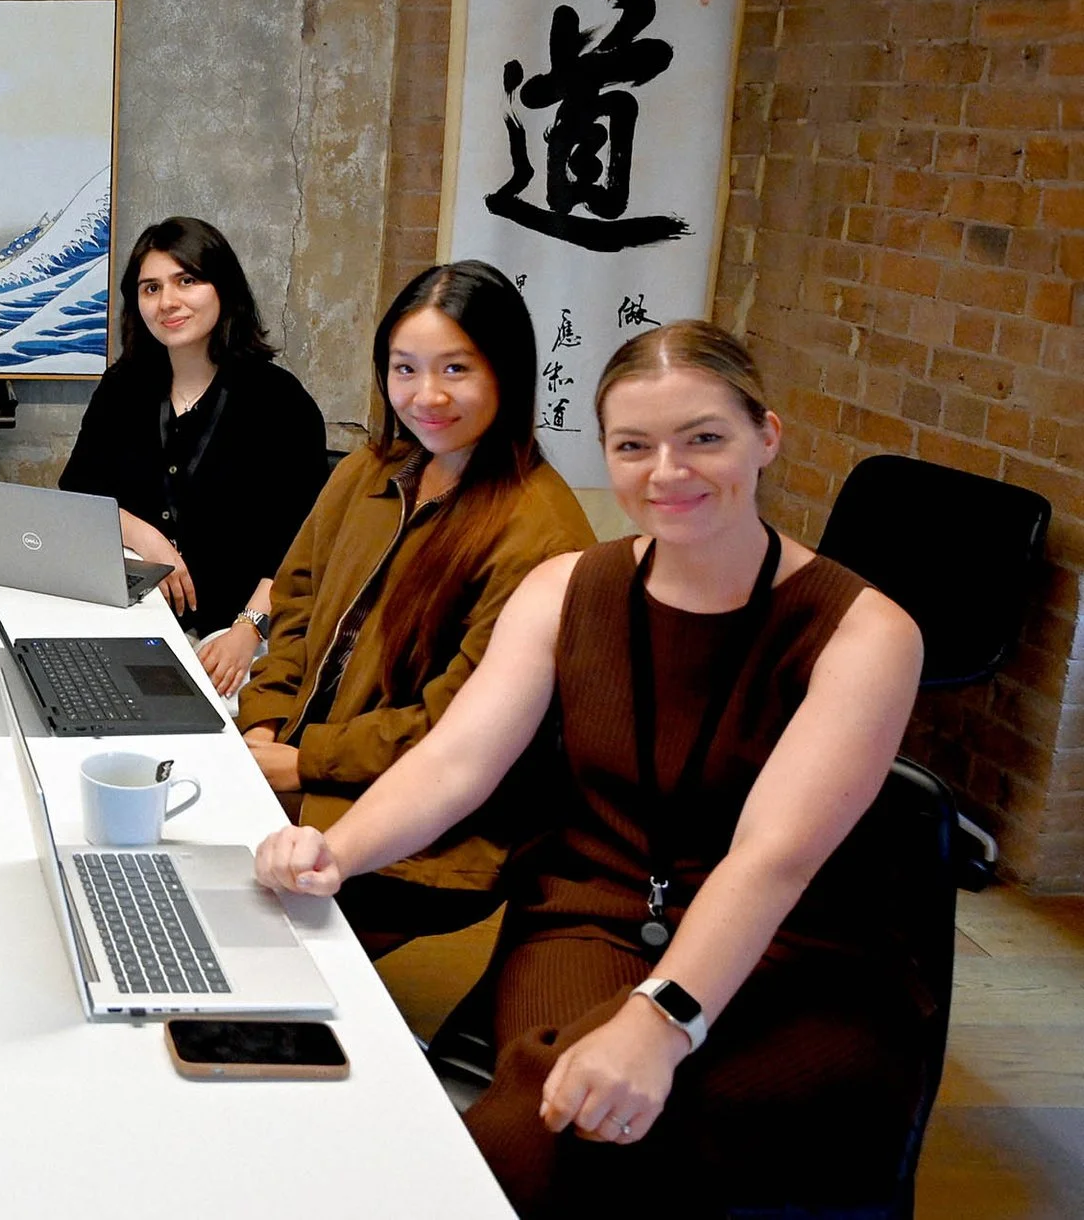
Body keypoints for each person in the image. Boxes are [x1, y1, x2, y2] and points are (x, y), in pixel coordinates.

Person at [254, 321, 925, 1217]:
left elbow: (774, 859)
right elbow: (457, 763)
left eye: (705, 439)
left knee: (597, 1128)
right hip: (590, 915)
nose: (668, 473)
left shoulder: (866, 630)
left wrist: (662, 1021)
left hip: (793, 953)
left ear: (767, 436)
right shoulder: (568, 587)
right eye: (633, 446)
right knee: (559, 1113)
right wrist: (338, 852)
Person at [235, 261, 593, 956]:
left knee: (237, 946)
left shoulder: (542, 533)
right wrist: (263, 725)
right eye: (405, 369)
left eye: (456, 370)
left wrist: (301, 762)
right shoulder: (368, 470)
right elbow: (297, 602)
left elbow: (453, 726)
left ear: (507, 373)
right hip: (298, 774)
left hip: (425, 837)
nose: (426, 396)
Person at [58, 216, 328, 687]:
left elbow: (299, 546)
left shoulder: (280, 402)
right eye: (150, 288)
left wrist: (247, 632)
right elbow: (77, 495)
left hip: (241, 630)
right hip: (133, 616)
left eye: (187, 281)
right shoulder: (123, 387)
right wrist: (148, 538)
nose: (168, 302)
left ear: (223, 288)